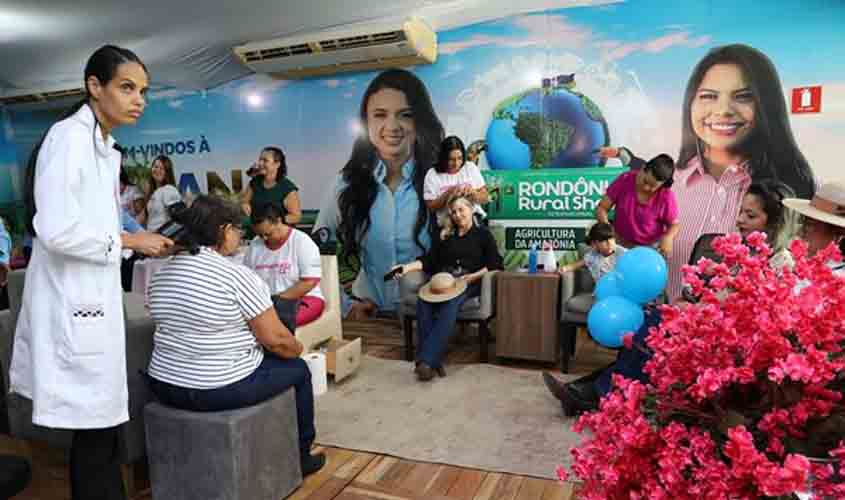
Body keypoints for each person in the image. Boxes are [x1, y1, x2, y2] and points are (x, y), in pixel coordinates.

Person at [10, 45, 173, 500]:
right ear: (94, 87)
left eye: (143, 90)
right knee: (96, 433)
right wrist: (129, 241)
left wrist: (131, 239)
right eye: (126, 87)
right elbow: (57, 230)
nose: (138, 98)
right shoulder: (69, 139)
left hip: (92, 306)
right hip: (73, 307)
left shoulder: (104, 147)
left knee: (100, 432)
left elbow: (92, 225)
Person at [544, 180, 820, 418]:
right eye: (740, 212)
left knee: (654, 327)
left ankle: (590, 393)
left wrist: (698, 310)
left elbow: (752, 311)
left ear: (774, 223)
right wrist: (691, 304)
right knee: (650, 325)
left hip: (731, 335)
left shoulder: (781, 262)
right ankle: (585, 392)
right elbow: (719, 292)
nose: (740, 220)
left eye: (750, 215)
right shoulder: (745, 251)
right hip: (708, 320)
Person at [601, 43, 816, 300]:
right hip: (661, 323)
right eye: (708, 96)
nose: (723, 110)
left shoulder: (782, 194)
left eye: (743, 96)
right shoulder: (671, 185)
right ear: (690, 104)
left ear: (766, 106)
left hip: (732, 332)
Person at [144, 195, 325, 476]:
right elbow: (276, 340)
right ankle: (301, 456)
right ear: (224, 231)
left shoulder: (161, 275)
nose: (240, 237)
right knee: (299, 370)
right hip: (217, 389)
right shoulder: (236, 276)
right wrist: (297, 348)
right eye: (238, 230)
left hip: (164, 384)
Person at [314, 68, 445, 319]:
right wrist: (345, 305)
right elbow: (313, 256)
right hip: (369, 319)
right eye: (380, 115)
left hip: (428, 317)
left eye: (404, 115)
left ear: (419, 121)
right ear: (367, 122)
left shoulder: (440, 181)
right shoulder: (344, 185)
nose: (392, 126)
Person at [391, 196, 503, 381]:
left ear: (471, 209)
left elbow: (495, 263)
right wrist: (404, 268)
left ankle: (425, 361)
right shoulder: (445, 236)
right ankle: (432, 361)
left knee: (450, 303)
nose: (457, 215)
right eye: (453, 212)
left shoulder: (483, 234)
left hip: (469, 281)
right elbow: (428, 261)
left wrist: (471, 277)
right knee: (423, 301)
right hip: (442, 281)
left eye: (461, 209)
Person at [245, 202, 325, 332]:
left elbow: (310, 281)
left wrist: (277, 301)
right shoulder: (255, 245)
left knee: (272, 322)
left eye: (268, 234)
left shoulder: (302, 241)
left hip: (305, 300)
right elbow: (248, 279)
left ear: (278, 221)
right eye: (260, 235)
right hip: (268, 304)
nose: (264, 239)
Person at [595, 154, 679, 256]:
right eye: (645, 181)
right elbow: (602, 208)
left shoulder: (666, 196)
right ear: (643, 168)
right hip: (619, 243)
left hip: (649, 249)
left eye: (653, 186)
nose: (646, 188)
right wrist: (608, 232)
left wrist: (668, 237)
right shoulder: (625, 179)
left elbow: (674, 225)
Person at [423, 136, 488, 226]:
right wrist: (448, 194)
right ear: (443, 158)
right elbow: (430, 207)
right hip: (447, 224)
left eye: (460, 158)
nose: (456, 163)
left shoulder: (470, 168)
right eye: (451, 159)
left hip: (473, 221)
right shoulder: (433, 174)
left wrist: (473, 194)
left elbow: (485, 197)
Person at [240, 146, 302, 226]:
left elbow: (296, 216)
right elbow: (245, 201)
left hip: (278, 234)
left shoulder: (287, 188)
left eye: (265, 160)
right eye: (260, 159)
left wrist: (274, 221)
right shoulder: (254, 182)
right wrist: (245, 205)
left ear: (277, 164)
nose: (260, 163)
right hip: (256, 232)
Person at [558, 222, 627, 281]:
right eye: (604, 240)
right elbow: (576, 265)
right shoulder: (592, 256)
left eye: (611, 238)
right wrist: (564, 268)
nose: (609, 243)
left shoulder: (623, 253)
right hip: (603, 289)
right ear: (594, 244)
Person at [145, 154, 182, 232]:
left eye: (161, 168)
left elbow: (178, 220)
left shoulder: (169, 189)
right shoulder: (154, 192)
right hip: (151, 239)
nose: (157, 170)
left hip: (163, 240)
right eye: (155, 167)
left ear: (167, 172)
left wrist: (160, 234)